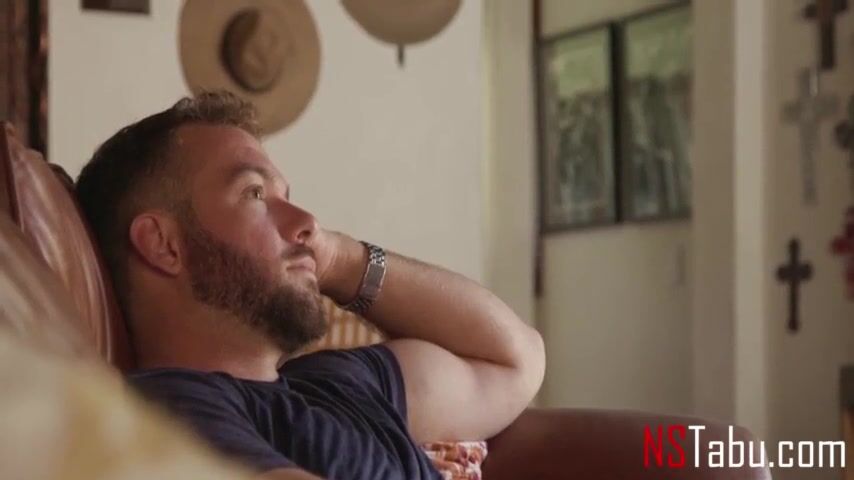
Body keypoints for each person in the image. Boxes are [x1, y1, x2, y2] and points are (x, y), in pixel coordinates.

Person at [74, 91, 545, 480]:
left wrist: (340, 259)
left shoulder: (341, 383)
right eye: (255, 194)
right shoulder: (169, 412)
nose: (307, 222)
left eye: (287, 196)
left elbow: (515, 360)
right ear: (164, 245)